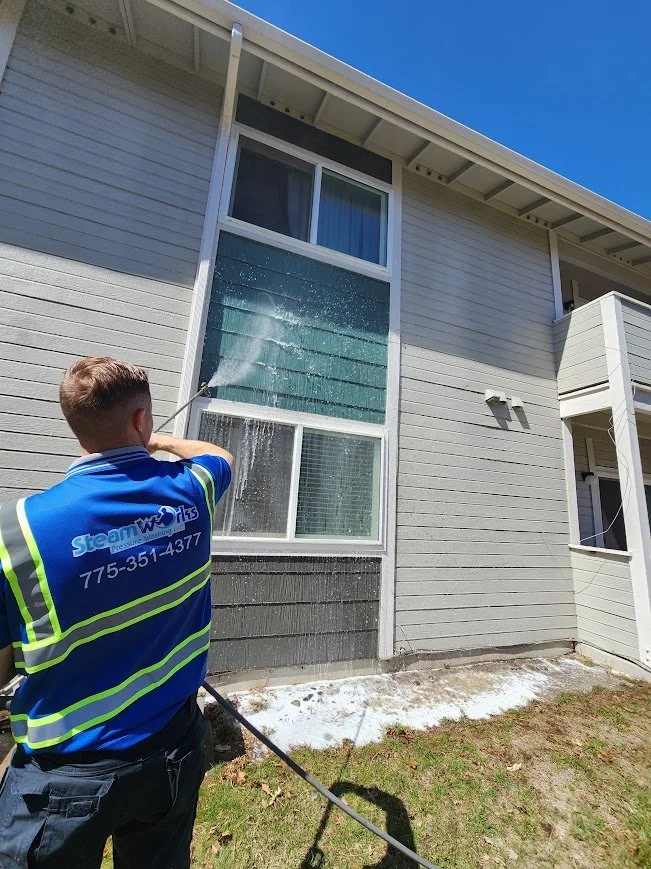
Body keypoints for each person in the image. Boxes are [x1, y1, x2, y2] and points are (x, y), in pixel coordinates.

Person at [0, 357, 233, 868]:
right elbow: (219, 454)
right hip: (172, 750)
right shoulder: (191, 492)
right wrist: (160, 443)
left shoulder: (15, 533)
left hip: (61, 785)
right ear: (140, 419)